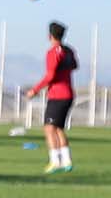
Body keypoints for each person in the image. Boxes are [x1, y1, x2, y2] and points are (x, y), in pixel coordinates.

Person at [28, 20, 81, 173]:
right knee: (58, 128)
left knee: (49, 129)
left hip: (58, 95)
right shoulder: (69, 51)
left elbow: (50, 75)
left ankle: (55, 162)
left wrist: (35, 90)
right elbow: (75, 66)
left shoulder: (52, 53)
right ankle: (67, 161)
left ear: (49, 36)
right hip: (69, 94)